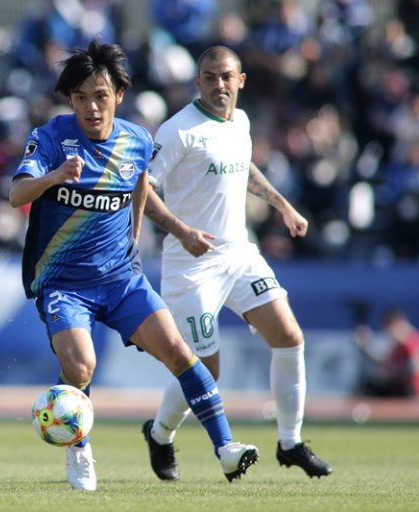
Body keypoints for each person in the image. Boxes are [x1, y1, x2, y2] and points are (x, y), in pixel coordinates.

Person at [9, 39, 258, 492]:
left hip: (122, 279)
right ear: (71, 100)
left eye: (100, 96)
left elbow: (141, 188)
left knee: (181, 352)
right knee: (81, 367)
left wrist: (150, 234)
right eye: (81, 97)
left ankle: (226, 448)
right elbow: (16, 195)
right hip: (65, 283)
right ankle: (79, 447)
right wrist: (54, 177)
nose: (91, 107)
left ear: (119, 95)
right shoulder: (51, 138)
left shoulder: (137, 140)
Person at [143, 45, 333, 481]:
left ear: (240, 80)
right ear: (198, 82)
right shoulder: (178, 130)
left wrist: (284, 206)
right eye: (209, 77)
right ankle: (159, 432)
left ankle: (290, 443)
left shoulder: (241, 122)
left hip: (239, 255)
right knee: (205, 371)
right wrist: (182, 231)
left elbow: (243, 167)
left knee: (289, 336)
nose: (219, 84)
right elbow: (143, 189)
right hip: (192, 266)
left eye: (226, 76)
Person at [353, 307, 419, 398]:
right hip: (398, 388)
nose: (387, 332)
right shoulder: (397, 346)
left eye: (388, 327)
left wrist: (394, 371)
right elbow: (385, 365)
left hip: (410, 391)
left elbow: (414, 368)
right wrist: (366, 346)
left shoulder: (412, 341)